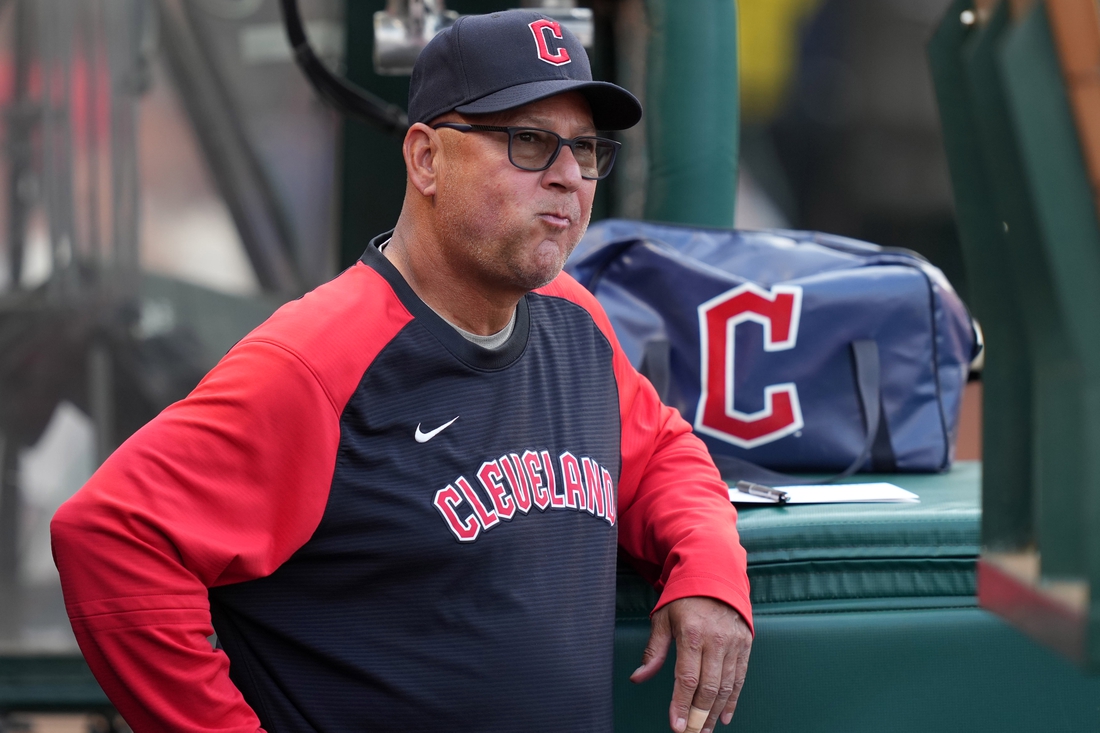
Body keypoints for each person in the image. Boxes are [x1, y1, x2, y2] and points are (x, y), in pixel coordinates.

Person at [51, 9, 752, 733]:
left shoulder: (573, 318)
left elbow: (662, 452)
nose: (569, 176)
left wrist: (708, 569)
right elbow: (110, 538)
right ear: (426, 159)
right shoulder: (318, 360)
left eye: (586, 148)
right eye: (530, 141)